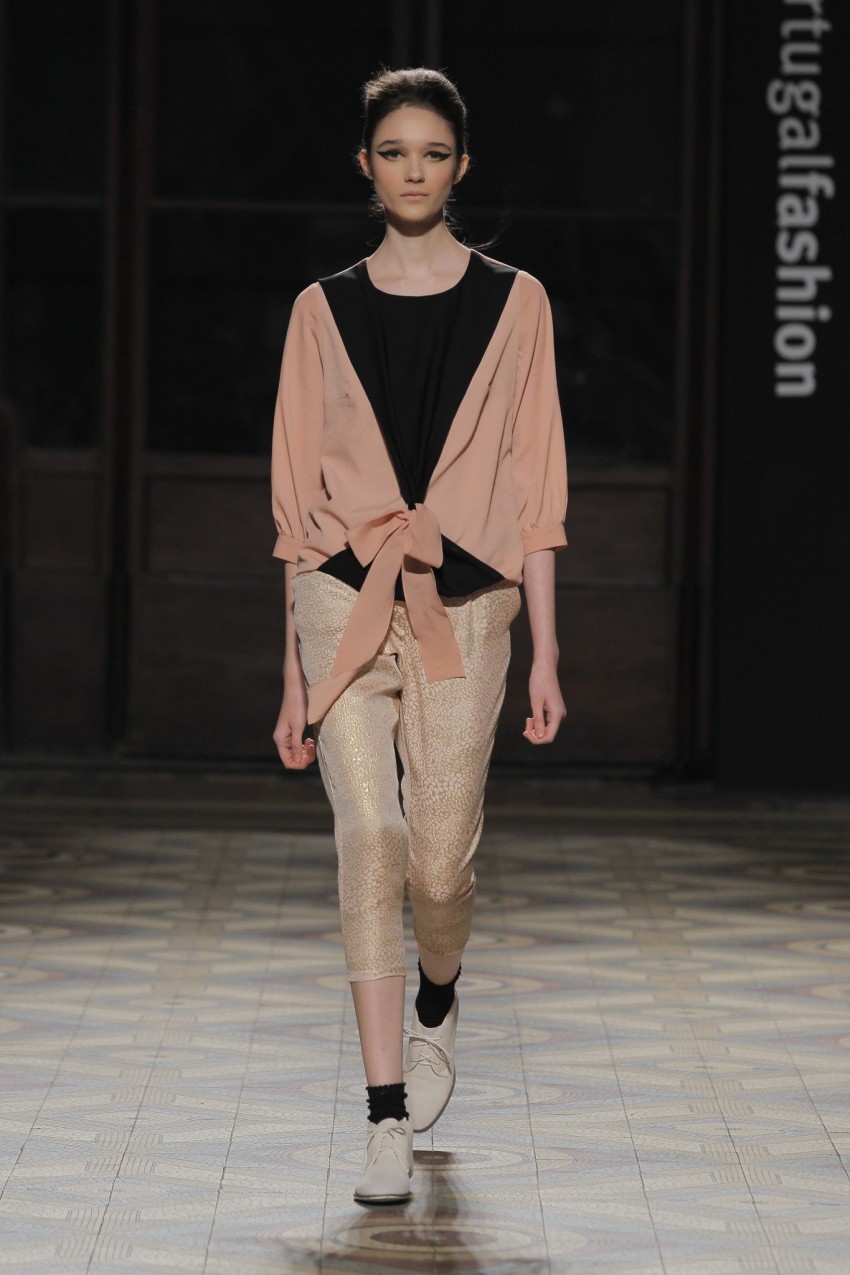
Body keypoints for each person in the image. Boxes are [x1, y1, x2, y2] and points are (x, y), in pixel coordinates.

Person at [271, 67, 568, 1205]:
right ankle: (383, 1115)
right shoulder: (319, 310)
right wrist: (290, 676)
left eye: (432, 153)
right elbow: (296, 507)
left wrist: (547, 651)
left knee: (440, 863)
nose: (412, 171)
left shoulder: (519, 303)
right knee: (372, 835)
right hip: (340, 598)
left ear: (460, 167)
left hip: (470, 600)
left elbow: (536, 489)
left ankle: (439, 998)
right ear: (365, 165)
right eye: (392, 152)